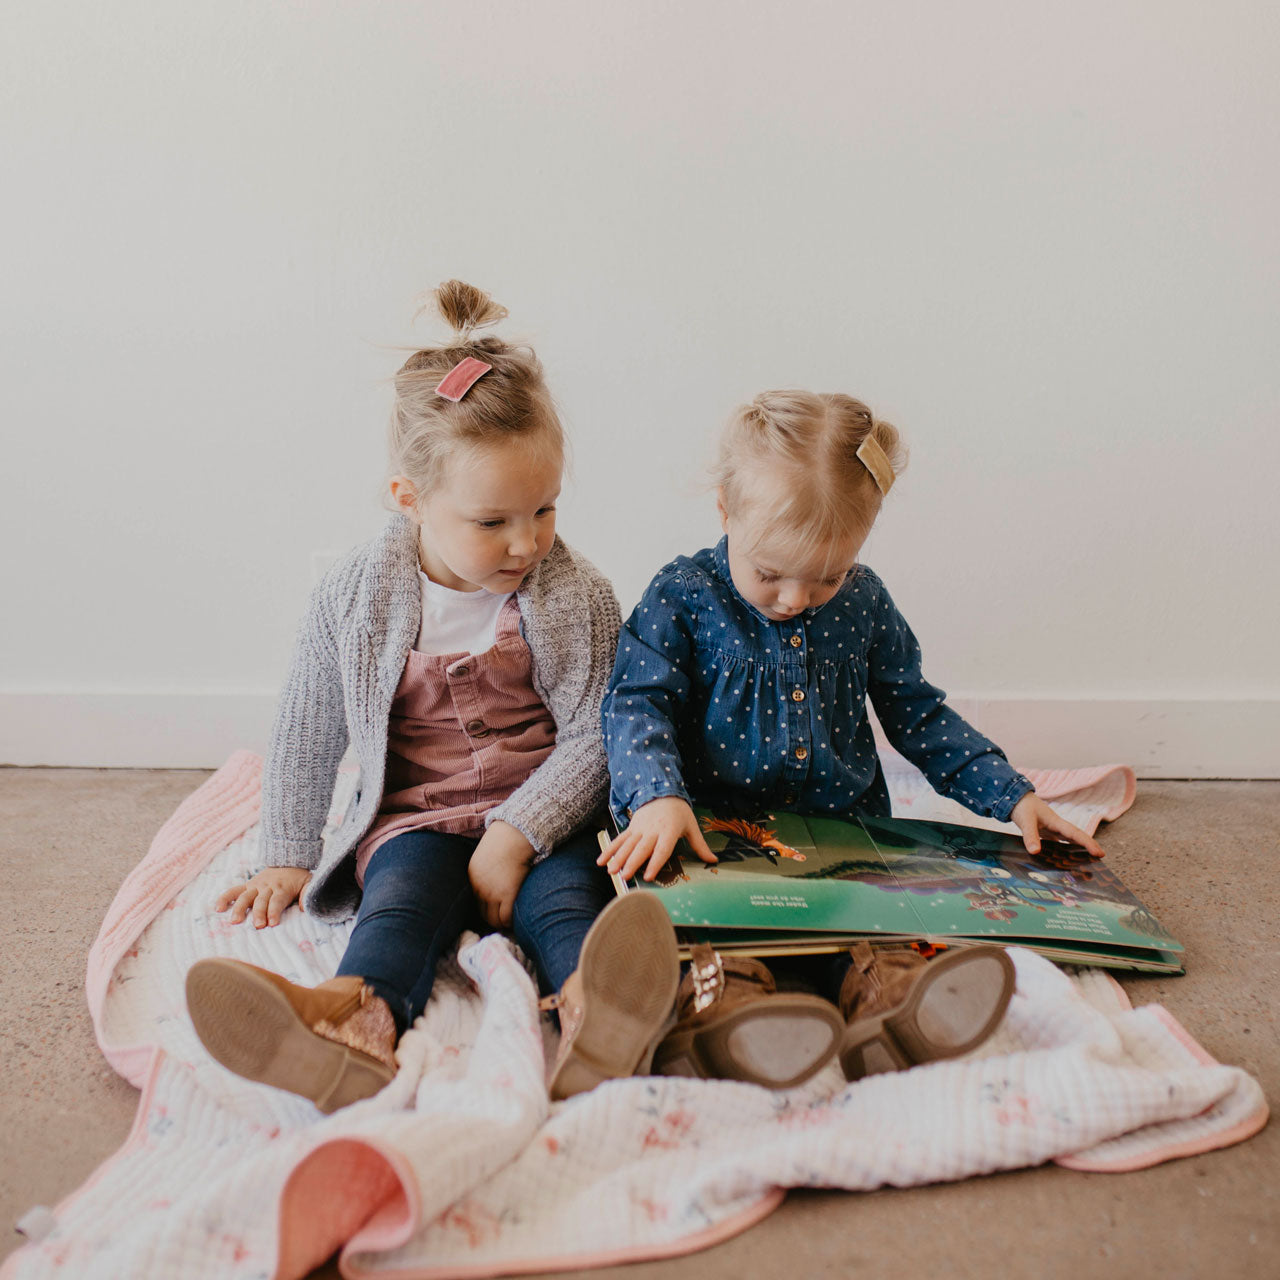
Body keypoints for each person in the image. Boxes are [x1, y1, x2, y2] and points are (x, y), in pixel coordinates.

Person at [186, 282, 678, 1113]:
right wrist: (286, 850)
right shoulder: (357, 594)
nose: (527, 541)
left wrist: (518, 834)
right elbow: (310, 726)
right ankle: (354, 1021)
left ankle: (602, 1018)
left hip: (544, 812)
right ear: (409, 500)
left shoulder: (572, 593)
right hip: (415, 814)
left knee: (568, 902)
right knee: (399, 904)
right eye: (493, 522)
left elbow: (601, 733)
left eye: (546, 508)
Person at [599, 390, 1104, 1088]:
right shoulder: (683, 595)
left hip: (844, 833)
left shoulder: (864, 602)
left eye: (827, 575)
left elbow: (917, 713)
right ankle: (730, 1020)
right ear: (725, 511)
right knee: (722, 940)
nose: (797, 599)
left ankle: (890, 1009)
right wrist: (655, 796)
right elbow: (635, 703)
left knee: (872, 937)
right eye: (771, 573)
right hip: (717, 831)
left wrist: (1012, 795)